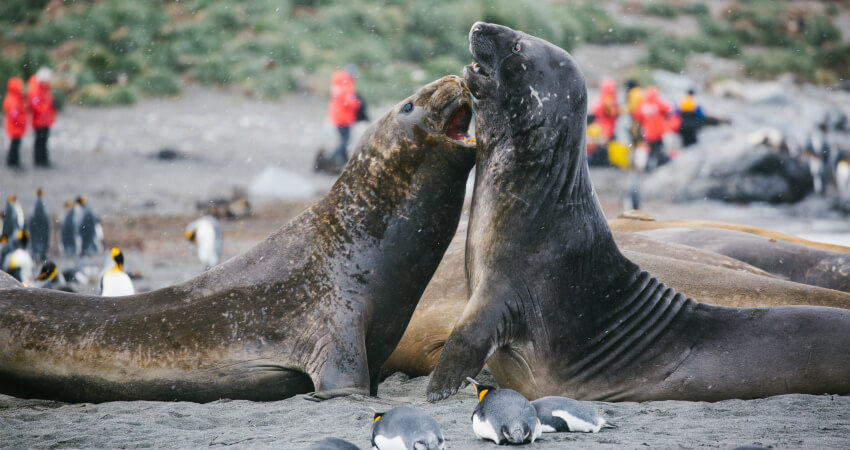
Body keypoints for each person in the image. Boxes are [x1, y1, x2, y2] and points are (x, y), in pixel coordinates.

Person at [327, 67, 362, 167]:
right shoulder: (346, 86)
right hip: (344, 117)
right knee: (345, 139)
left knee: (344, 139)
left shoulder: (337, 85)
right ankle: (333, 156)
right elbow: (349, 102)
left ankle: (345, 160)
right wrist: (358, 103)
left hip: (337, 116)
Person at [633, 86, 672, 171]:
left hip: (648, 132)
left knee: (650, 150)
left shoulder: (643, 104)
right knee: (659, 148)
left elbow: (637, 116)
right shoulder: (658, 103)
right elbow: (669, 110)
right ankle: (659, 164)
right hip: (658, 131)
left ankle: (648, 166)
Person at [588, 79, 619, 166]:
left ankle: (597, 160)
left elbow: (594, 110)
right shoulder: (608, 98)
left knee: (599, 144)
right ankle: (603, 161)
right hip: (606, 126)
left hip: (600, 126)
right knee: (603, 145)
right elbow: (611, 113)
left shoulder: (600, 98)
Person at [29, 68, 55, 167]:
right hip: (39, 120)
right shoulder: (35, 88)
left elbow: (47, 102)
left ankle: (44, 159)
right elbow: (35, 105)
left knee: (44, 140)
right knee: (39, 141)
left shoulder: (45, 88)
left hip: (45, 120)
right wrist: (45, 110)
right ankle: (39, 160)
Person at [3, 77, 26, 168]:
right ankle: (13, 162)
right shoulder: (13, 99)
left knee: (15, 145)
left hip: (16, 126)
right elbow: (14, 114)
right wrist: (22, 121)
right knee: (14, 145)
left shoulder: (15, 97)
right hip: (14, 127)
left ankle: (14, 161)